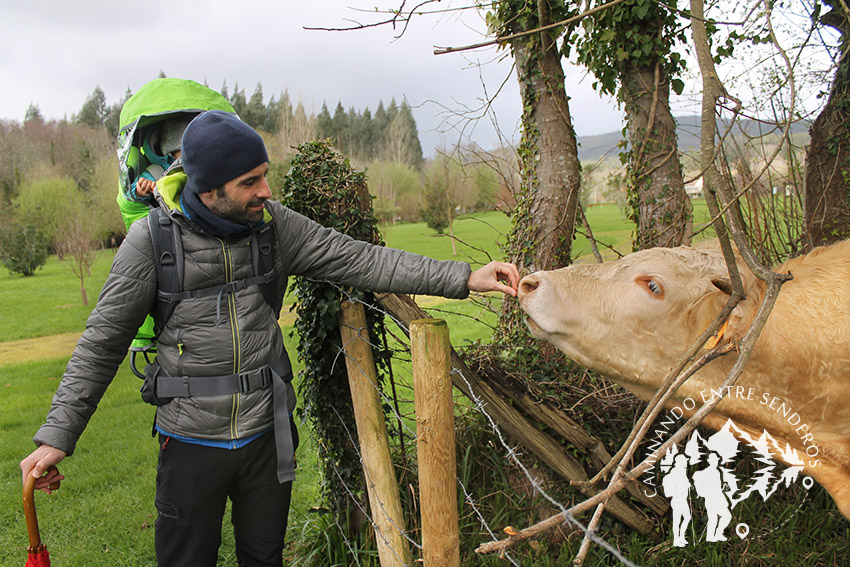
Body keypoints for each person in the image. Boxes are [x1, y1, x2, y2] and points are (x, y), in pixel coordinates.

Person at [21, 110, 519, 567]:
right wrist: (57, 437)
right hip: (191, 442)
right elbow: (101, 342)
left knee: (265, 560)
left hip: (268, 437)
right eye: (250, 181)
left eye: (264, 174)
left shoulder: (275, 228)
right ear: (209, 187)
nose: (265, 190)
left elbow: (363, 260)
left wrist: (464, 277)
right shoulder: (153, 243)